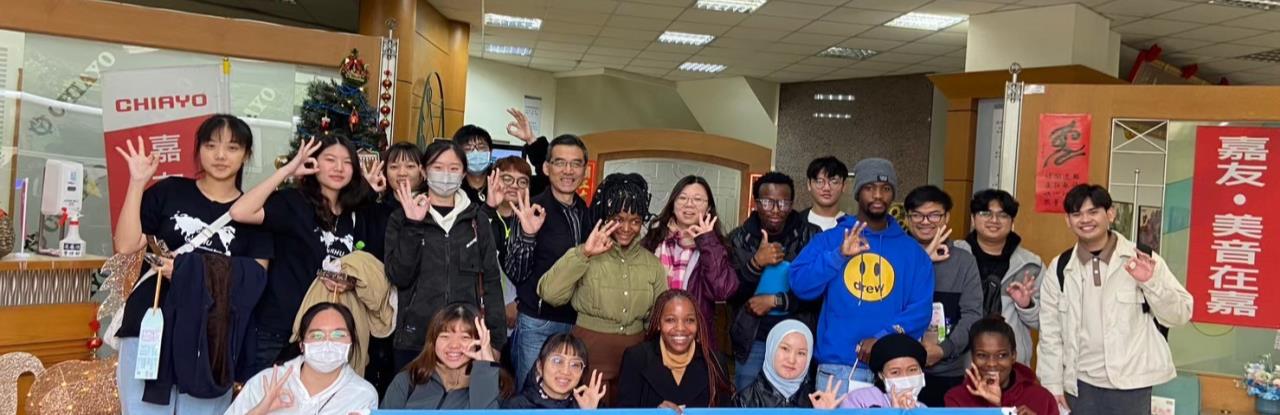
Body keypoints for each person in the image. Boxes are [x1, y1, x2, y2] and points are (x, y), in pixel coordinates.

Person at [112, 115, 272, 414]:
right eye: (211, 146)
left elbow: (254, 279)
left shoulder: (253, 214)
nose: (221, 155)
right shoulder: (169, 191)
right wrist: (137, 183)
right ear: (198, 150)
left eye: (232, 147)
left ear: (246, 154)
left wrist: (187, 270)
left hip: (211, 335)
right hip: (152, 319)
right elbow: (125, 244)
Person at [231, 134, 384, 374]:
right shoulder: (292, 203)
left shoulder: (356, 215)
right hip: (281, 331)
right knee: (271, 395)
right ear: (314, 163)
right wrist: (287, 171)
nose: (339, 168)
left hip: (329, 334)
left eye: (347, 162)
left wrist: (350, 282)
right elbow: (240, 212)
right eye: (330, 159)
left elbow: (366, 268)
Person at [1038, 184, 1192, 415]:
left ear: (1110, 214)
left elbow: (1181, 314)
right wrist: (1052, 384)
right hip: (1079, 385)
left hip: (1132, 386)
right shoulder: (1060, 267)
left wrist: (1150, 282)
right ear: (1068, 221)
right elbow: (1050, 332)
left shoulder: (1143, 258)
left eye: (1093, 212)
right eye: (1077, 214)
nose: (1085, 220)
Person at [790, 158, 934, 393]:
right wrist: (838, 256)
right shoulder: (832, 239)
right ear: (857, 192)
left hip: (895, 369)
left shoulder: (912, 252)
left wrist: (884, 338)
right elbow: (799, 284)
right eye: (869, 187)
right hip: (840, 368)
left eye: (885, 188)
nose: (878, 195)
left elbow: (920, 311)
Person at [538, 173, 667, 399]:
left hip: (635, 357)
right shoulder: (585, 253)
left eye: (635, 221)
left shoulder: (653, 264)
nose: (626, 228)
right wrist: (584, 254)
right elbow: (549, 294)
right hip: (590, 353)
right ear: (605, 217)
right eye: (618, 219)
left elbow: (657, 318)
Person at [384, 140, 506, 370]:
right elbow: (399, 276)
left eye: (453, 168)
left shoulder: (476, 220)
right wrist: (413, 225)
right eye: (438, 167)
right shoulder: (401, 218)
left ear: (463, 173)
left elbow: (491, 281)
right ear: (424, 171)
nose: (446, 175)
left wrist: (496, 341)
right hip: (415, 338)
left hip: (467, 340)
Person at [505, 134, 592, 390]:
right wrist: (528, 235)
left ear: (584, 170)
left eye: (576, 164)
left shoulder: (586, 211)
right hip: (537, 321)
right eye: (560, 162)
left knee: (568, 394)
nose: (568, 170)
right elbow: (516, 272)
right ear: (546, 167)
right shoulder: (531, 208)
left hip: (577, 322)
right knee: (532, 392)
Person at [727, 172, 821, 390]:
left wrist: (776, 301)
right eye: (768, 202)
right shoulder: (738, 239)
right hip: (753, 339)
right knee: (748, 399)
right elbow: (732, 294)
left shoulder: (811, 237)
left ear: (792, 203)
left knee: (793, 401)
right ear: (756, 203)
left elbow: (818, 293)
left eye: (783, 202)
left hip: (797, 340)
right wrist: (756, 263)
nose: (776, 209)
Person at [902, 185, 983, 407]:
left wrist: (943, 349)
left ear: (946, 217)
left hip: (948, 371)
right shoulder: (896, 257)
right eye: (917, 215)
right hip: (898, 369)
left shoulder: (964, 262)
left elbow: (972, 315)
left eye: (934, 215)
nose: (925, 221)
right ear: (907, 218)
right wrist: (923, 261)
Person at [225, 302, 379, 415]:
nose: (327, 343)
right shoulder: (266, 382)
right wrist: (259, 411)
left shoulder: (362, 395)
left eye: (338, 335)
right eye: (317, 335)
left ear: (351, 342)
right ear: (302, 345)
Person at [640, 175, 738, 347]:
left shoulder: (716, 245)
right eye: (683, 198)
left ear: (708, 208)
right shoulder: (653, 240)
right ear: (673, 204)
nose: (689, 204)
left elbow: (722, 290)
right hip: (653, 333)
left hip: (695, 338)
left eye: (698, 199)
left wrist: (707, 241)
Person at [952, 189, 1043, 366]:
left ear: (1012, 221)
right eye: (985, 213)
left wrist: (1026, 305)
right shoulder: (953, 256)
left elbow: (1045, 322)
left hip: (1009, 366)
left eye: (1002, 215)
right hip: (958, 365)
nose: (994, 220)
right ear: (973, 218)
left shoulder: (1030, 265)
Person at [616, 290, 732, 409]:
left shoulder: (714, 362)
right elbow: (624, 411)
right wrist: (654, 412)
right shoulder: (636, 358)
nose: (680, 328)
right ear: (658, 323)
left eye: (689, 320)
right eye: (670, 320)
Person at [382, 303, 503, 409]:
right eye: (445, 336)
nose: (454, 345)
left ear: (479, 343)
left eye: (465, 337)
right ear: (433, 341)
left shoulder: (496, 388)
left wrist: (485, 369)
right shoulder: (408, 380)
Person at [945, 316, 1059, 415]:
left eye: (1001, 355)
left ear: (1013, 356)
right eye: (982, 355)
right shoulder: (956, 399)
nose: (992, 363)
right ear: (972, 357)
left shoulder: (1042, 398)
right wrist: (995, 408)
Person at [731, 319, 845, 409]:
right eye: (785, 348)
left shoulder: (816, 400)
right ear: (771, 349)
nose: (791, 360)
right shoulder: (745, 400)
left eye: (801, 353)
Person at [501, 333, 607, 409]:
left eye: (575, 364)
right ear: (539, 366)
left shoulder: (591, 404)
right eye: (557, 361)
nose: (565, 371)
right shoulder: (517, 407)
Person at [840, 333, 928, 409]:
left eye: (912, 370)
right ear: (881, 375)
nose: (905, 377)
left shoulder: (923, 408)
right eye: (895, 372)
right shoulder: (860, 400)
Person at [796, 157, 848, 231]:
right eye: (819, 181)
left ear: (844, 186)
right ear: (809, 184)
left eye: (834, 182)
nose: (827, 188)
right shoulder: (795, 224)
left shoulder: (854, 226)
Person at [454, 124, 496, 206]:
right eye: (467, 149)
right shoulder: (453, 186)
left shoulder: (499, 181)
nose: (475, 153)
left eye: (481, 147)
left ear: (491, 152)